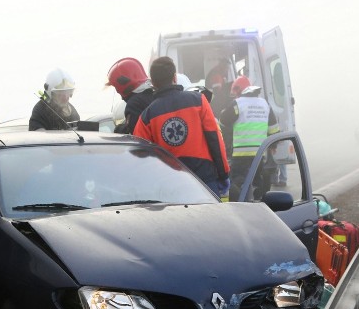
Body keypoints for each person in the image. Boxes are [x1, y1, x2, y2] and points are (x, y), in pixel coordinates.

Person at [133, 56, 230, 200]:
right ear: (174, 78)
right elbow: (215, 140)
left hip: (170, 187)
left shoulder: (146, 117)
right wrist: (223, 174)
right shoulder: (199, 101)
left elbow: (140, 157)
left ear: (152, 83)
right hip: (205, 181)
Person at [219, 77, 279, 201]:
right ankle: (259, 202)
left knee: (237, 180)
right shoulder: (265, 104)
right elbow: (273, 128)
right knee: (257, 179)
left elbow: (223, 121)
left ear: (240, 90)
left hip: (241, 153)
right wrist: (273, 146)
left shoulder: (238, 103)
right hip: (259, 153)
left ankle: (241, 205)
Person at [106, 57, 155, 135]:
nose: (117, 91)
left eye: (116, 87)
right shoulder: (154, 95)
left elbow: (135, 134)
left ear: (122, 83)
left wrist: (120, 129)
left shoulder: (134, 103)